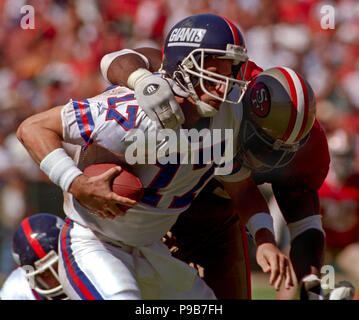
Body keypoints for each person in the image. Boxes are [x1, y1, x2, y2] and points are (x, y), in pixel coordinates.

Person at [16, 14, 296, 300]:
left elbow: (243, 188)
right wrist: (75, 183)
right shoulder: (135, 112)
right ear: (182, 64)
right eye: (214, 70)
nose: (223, 85)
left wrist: (265, 240)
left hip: (150, 249)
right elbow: (32, 128)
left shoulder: (230, 118)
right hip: (94, 243)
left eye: (229, 71)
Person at [100, 44, 327, 299]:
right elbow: (134, 58)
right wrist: (143, 80)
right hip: (155, 198)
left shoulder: (307, 150)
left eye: (282, 152)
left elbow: (304, 224)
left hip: (219, 212)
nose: (267, 159)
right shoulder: (224, 83)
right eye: (261, 144)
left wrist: (312, 287)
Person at [0, 213, 68, 300]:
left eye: (58, 266)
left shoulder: (87, 254)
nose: (57, 279)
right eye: (46, 274)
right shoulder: (17, 292)